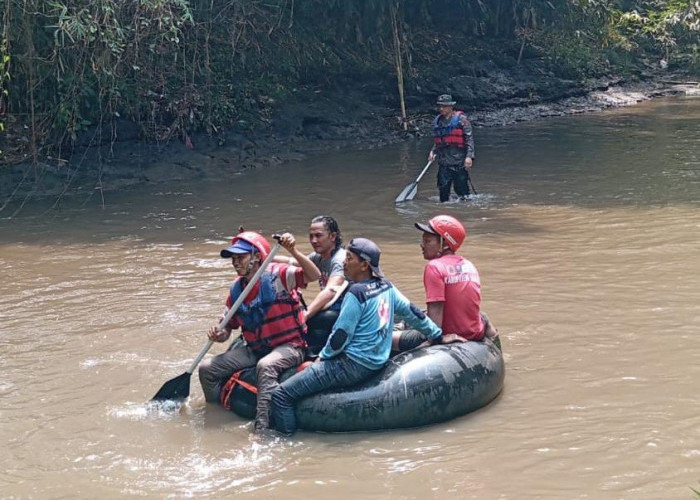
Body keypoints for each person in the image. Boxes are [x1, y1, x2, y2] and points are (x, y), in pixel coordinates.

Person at [270, 237, 443, 436]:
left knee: (281, 395)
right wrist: (436, 334)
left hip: (351, 365)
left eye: (350, 259)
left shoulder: (356, 293)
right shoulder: (386, 286)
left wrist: (322, 358)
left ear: (364, 265)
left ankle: (286, 444)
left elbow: (340, 336)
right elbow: (414, 313)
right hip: (377, 360)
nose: (344, 262)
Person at [198, 230, 321, 433]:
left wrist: (293, 250)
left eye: (241, 257)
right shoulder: (237, 290)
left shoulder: (279, 276)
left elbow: (314, 275)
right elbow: (228, 328)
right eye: (233, 258)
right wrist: (219, 335)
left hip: (290, 347)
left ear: (256, 257)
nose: (235, 262)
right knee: (207, 369)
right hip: (254, 348)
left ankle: (262, 428)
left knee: (265, 366)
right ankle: (216, 414)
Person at [392, 215, 500, 352]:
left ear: (445, 244)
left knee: (384, 339)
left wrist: (433, 340)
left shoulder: (434, 267)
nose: (422, 245)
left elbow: (435, 317)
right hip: (473, 333)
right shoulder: (468, 264)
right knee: (483, 316)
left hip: (448, 334)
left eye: (428, 241)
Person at [275, 216, 348, 354]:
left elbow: (330, 291)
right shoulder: (319, 256)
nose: (314, 241)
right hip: (332, 306)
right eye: (311, 236)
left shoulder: (339, 259)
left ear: (333, 236)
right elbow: (291, 261)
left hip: (347, 309)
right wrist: (264, 257)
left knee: (316, 320)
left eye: (318, 236)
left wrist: (306, 314)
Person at [429, 94, 475, 202]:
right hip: (444, 162)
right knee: (443, 193)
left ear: (451, 107)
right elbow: (439, 140)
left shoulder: (462, 120)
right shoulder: (438, 121)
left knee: (462, 193)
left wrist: (469, 157)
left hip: (459, 162)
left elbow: (469, 139)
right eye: (439, 106)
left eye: (444, 106)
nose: (441, 109)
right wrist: (433, 151)